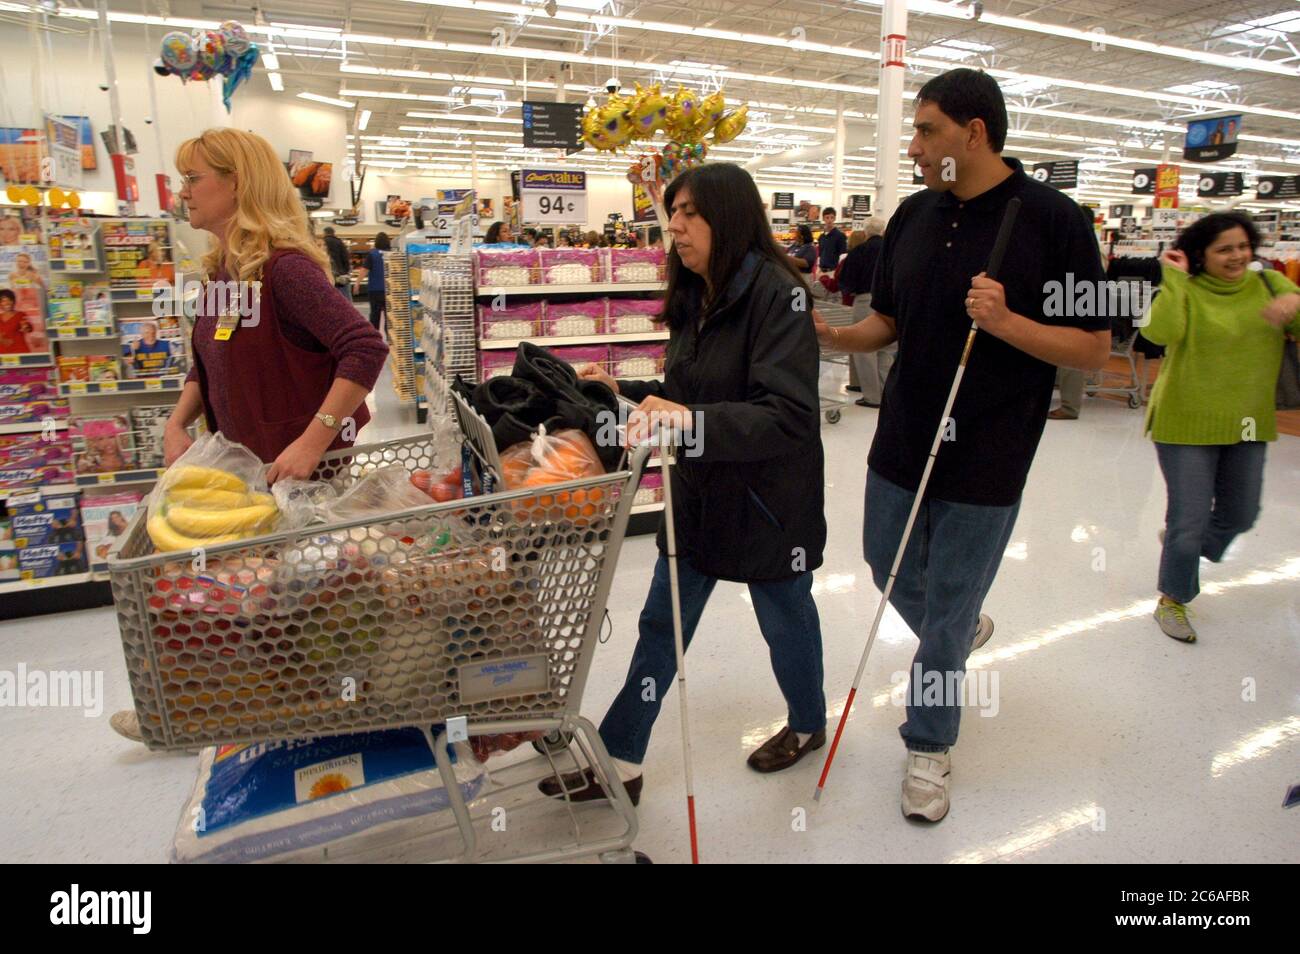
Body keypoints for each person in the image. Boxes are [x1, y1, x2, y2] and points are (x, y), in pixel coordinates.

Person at [815, 67, 1110, 823]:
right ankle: (959, 626)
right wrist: (834, 336)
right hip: (905, 433)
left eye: (925, 130)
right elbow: (890, 322)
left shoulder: (1055, 220)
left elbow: (1094, 350)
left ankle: (929, 742)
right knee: (885, 562)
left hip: (991, 449)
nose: (912, 147)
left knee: (942, 616)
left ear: (973, 133)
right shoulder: (914, 215)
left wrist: (1009, 324)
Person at [540, 162, 828, 805]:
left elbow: (788, 416)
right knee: (660, 623)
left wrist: (688, 418)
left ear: (729, 217)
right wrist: (634, 394)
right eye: (673, 211)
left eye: (691, 212)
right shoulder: (698, 293)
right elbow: (689, 392)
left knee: (784, 617)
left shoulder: (780, 295)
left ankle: (809, 724)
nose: (675, 224)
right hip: (699, 491)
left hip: (770, 501)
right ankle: (623, 757)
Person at [109, 128, 388, 743]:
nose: (183, 192)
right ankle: (198, 710)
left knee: (289, 612)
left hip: (300, 484)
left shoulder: (283, 271)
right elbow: (209, 359)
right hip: (249, 478)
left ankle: (238, 716)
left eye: (193, 179)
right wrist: (179, 420)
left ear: (236, 184)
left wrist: (314, 440)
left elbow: (364, 347)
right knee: (241, 609)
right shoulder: (227, 271)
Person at [1142, 212, 1300, 643]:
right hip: (1184, 421)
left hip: (1248, 422)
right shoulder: (1186, 289)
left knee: (1241, 515)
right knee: (1189, 520)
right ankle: (1173, 597)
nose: (1237, 256)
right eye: (1224, 249)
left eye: (1243, 247)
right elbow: (1161, 331)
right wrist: (1172, 279)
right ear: (1201, 255)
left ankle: (1186, 544)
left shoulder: (1272, 285)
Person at [840, 218, 890, 407]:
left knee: (864, 348)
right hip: (890, 301)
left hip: (865, 300)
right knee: (886, 347)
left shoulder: (859, 251)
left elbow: (846, 280)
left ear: (866, 232)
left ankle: (871, 396)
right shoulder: (892, 249)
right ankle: (885, 393)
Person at [366, 232, 390, 333]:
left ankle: (374, 338)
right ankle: (390, 339)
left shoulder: (372, 254)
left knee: (374, 315)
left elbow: (364, 269)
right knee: (389, 316)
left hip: (375, 290)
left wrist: (357, 284)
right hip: (389, 290)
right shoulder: (391, 253)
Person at [322, 226, 351, 298]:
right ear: (333, 233)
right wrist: (345, 271)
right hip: (341, 275)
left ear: (325, 233)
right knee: (345, 297)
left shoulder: (323, 242)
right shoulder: (339, 242)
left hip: (327, 275)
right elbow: (345, 257)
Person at [0, 289, 32, 353]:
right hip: (3, 353)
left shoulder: (20, 315)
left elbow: (29, 328)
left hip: (20, 351)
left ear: (13, 301)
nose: (7, 303)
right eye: (3, 301)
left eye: (9, 300)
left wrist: (26, 327)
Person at [817, 207, 847, 274]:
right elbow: (820, 254)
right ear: (823, 219)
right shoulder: (821, 237)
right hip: (821, 271)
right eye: (827, 217)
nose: (829, 220)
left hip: (833, 271)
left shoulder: (840, 236)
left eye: (832, 217)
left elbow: (843, 255)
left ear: (835, 218)